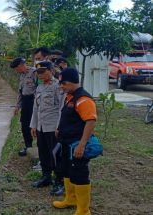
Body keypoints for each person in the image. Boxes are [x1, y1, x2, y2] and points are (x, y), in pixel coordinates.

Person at [53, 68, 97, 215]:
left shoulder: (84, 99)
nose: (61, 87)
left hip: (76, 145)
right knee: (66, 171)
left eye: (63, 84)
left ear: (70, 83)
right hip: (66, 142)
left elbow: (90, 121)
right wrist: (59, 128)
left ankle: (84, 210)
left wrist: (82, 144)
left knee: (79, 174)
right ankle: (70, 199)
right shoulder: (70, 96)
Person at [30, 61, 64, 195]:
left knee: (55, 154)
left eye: (43, 72)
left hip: (52, 126)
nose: (40, 75)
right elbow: (36, 108)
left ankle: (59, 181)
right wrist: (33, 125)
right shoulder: (39, 87)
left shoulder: (57, 86)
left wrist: (59, 126)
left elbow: (61, 108)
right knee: (43, 152)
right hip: (41, 127)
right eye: (38, 73)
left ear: (51, 71)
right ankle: (46, 177)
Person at [10, 57, 37, 156]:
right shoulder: (21, 75)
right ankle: (28, 146)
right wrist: (17, 106)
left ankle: (40, 148)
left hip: (34, 102)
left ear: (21, 65)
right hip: (25, 103)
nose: (16, 71)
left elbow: (40, 88)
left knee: (35, 125)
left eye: (16, 69)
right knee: (24, 126)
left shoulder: (34, 73)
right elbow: (20, 92)